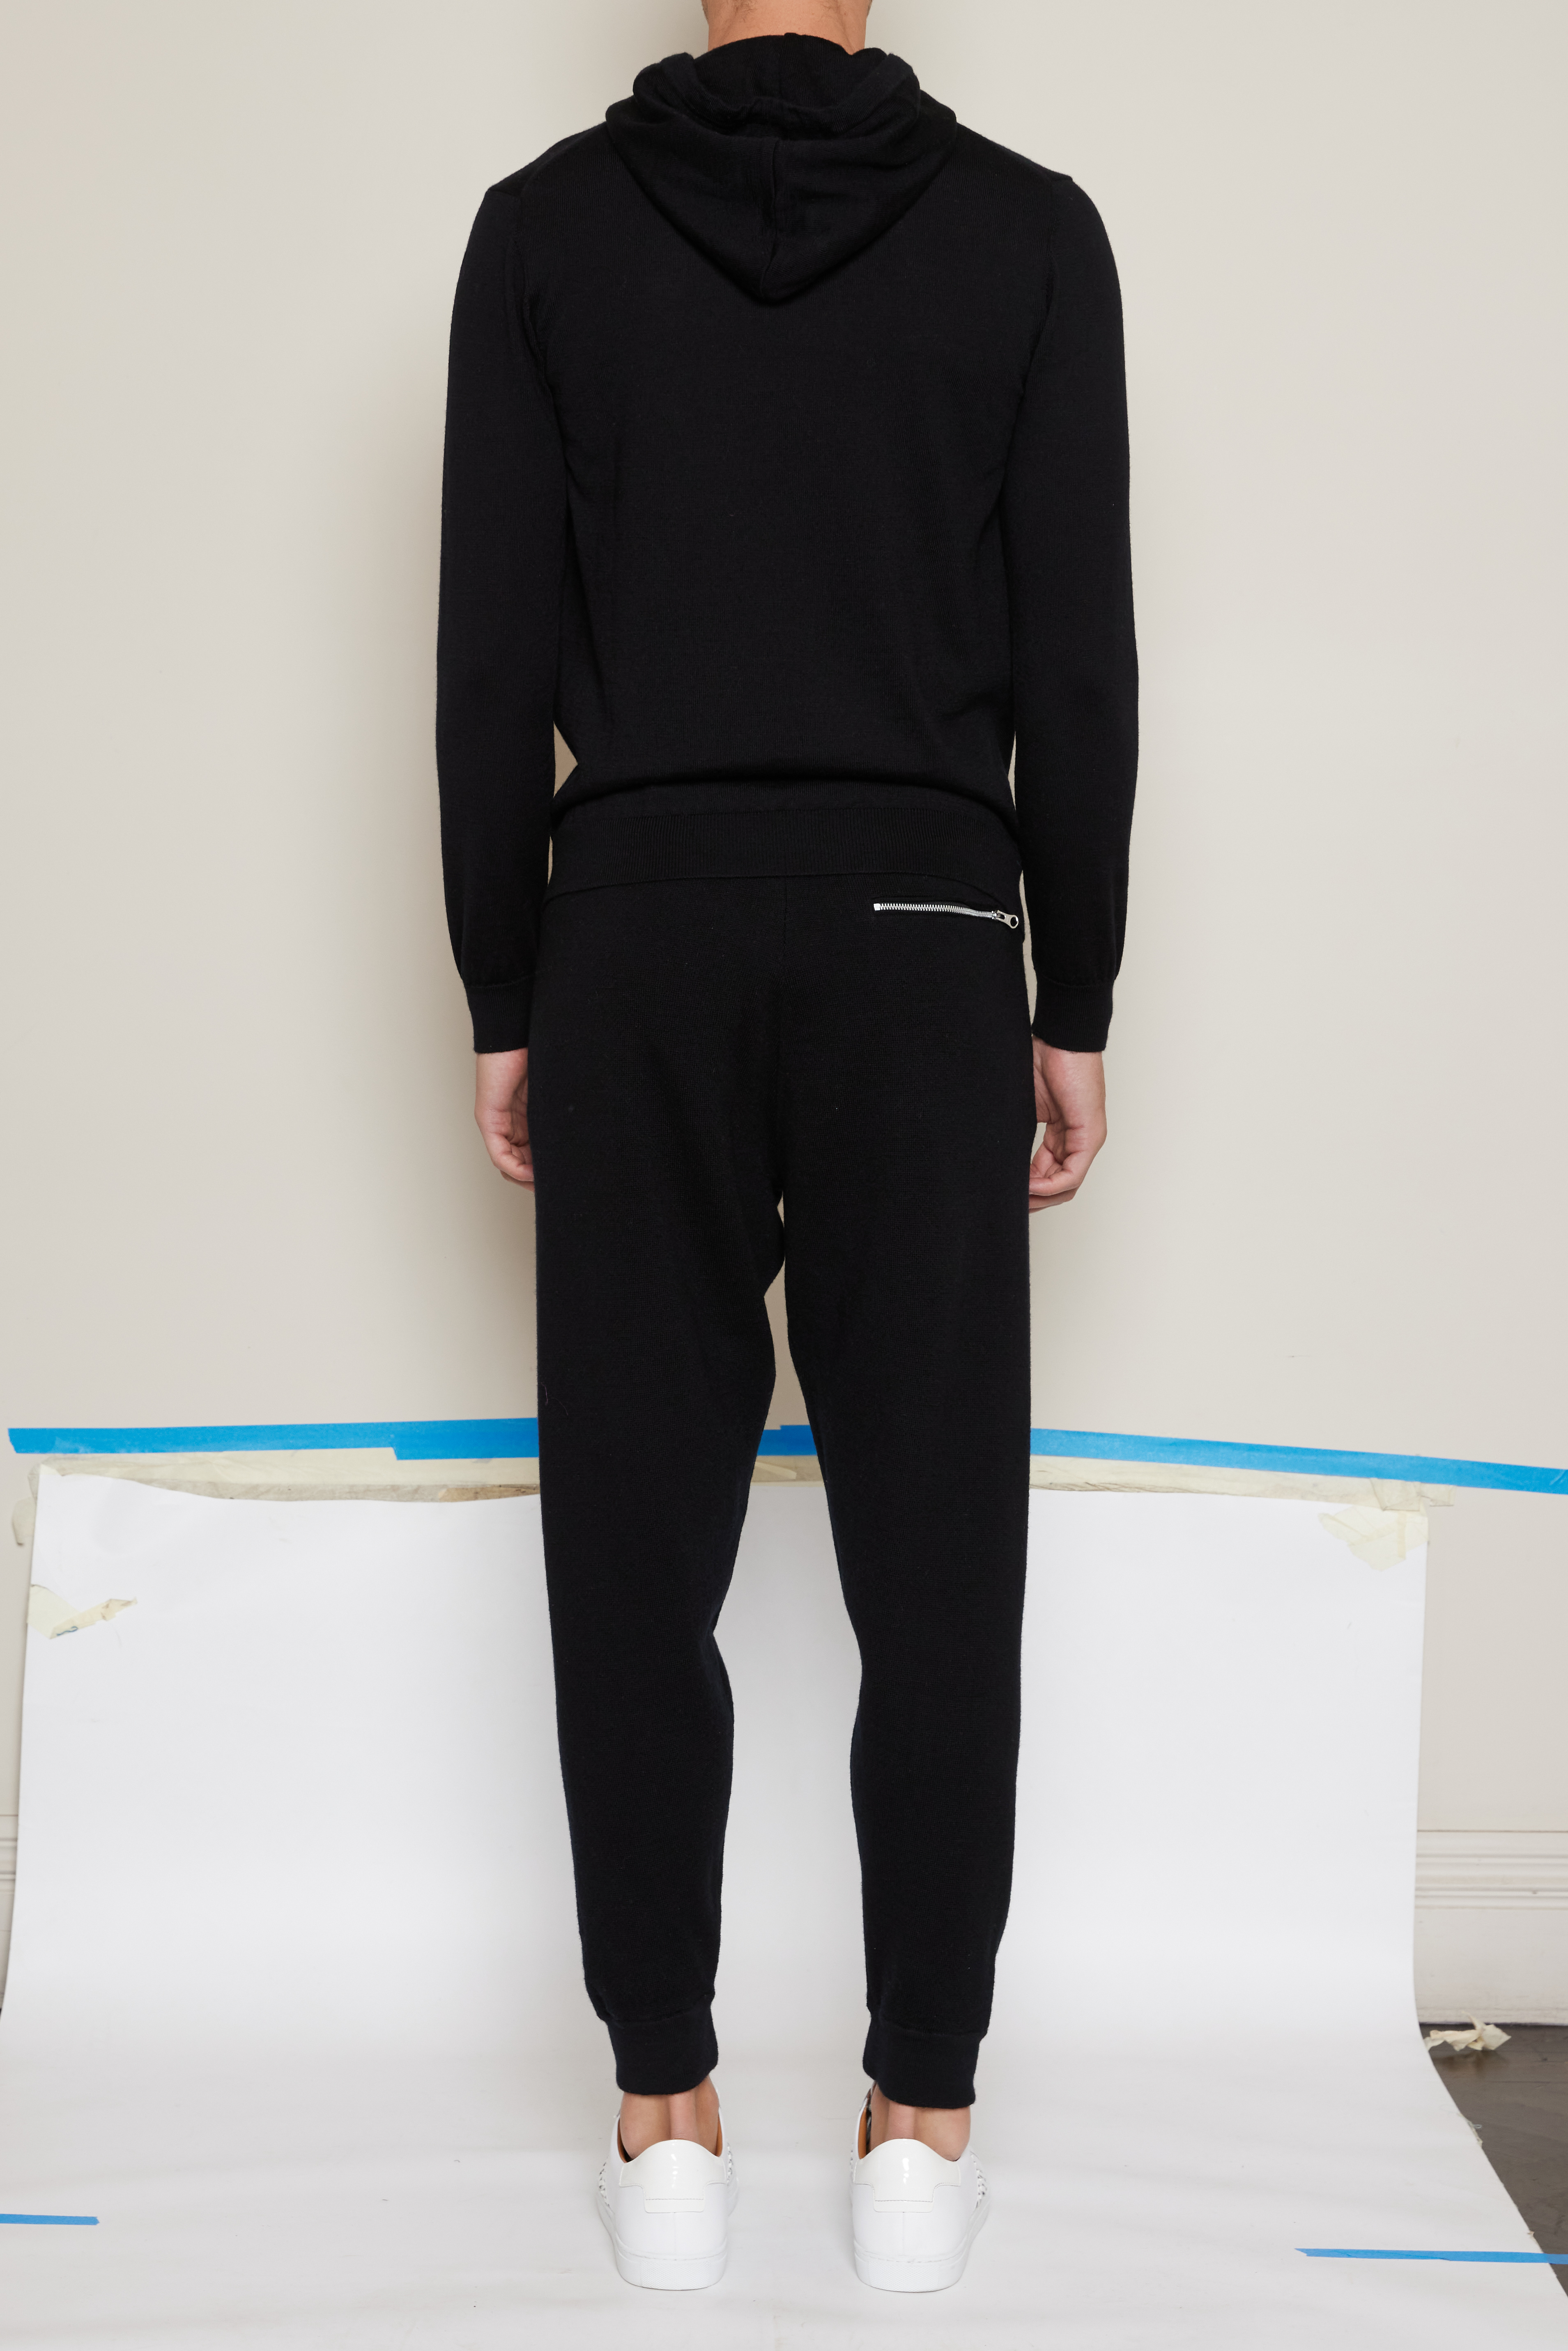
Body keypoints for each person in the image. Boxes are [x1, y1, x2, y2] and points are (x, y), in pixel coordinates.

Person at [436, 0, 1135, 2295]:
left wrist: (508, 986)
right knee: (938, 1547)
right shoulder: (1029, 238)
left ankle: (666, 2121)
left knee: (631, 1544)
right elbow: (1079, 662)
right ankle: (921, 2125)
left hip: (633, 930)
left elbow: (489, 655)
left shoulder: (543, 235)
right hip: (927, 935)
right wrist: (1072, 993)